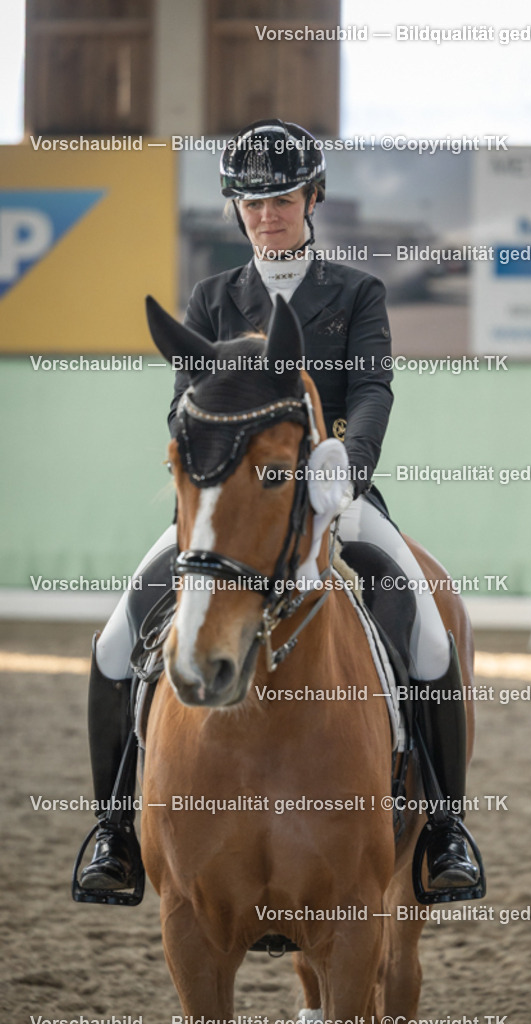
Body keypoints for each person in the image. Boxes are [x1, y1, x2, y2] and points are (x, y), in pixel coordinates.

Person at [79, 119, 481, 900]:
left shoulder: (357, 293)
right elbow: (185, 406)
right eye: (252, 202)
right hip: (234, 511)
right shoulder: (212, 298)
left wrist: (347, 463)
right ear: (237, 210)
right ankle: (115, 832)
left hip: (335, 501)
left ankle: (445, 832)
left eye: (282, 198)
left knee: (429, 635)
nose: (267, 214)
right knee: (115, 638)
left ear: (314, 197)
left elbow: (371, 389)